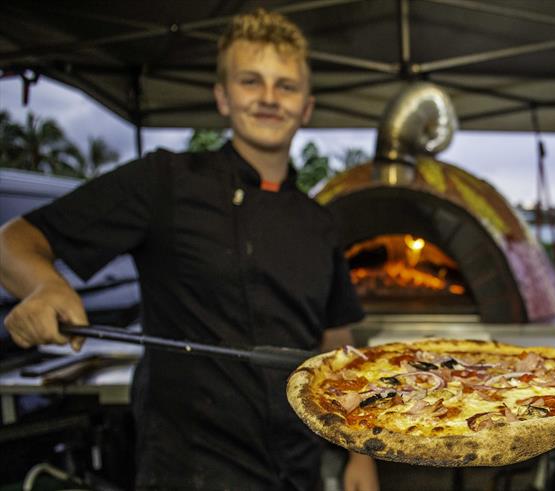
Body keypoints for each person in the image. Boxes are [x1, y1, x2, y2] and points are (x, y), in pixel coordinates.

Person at [0, 8, 380, 491]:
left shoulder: (320, 221)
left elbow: (336, 344)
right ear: (223, 97)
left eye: (285, 86)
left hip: (295, 465)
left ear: (306, 106)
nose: (268, 98)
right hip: (192, 468)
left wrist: (359, 451)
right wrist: (45, 285)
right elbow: (14, 240)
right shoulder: (164, 181)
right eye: (250, 81)